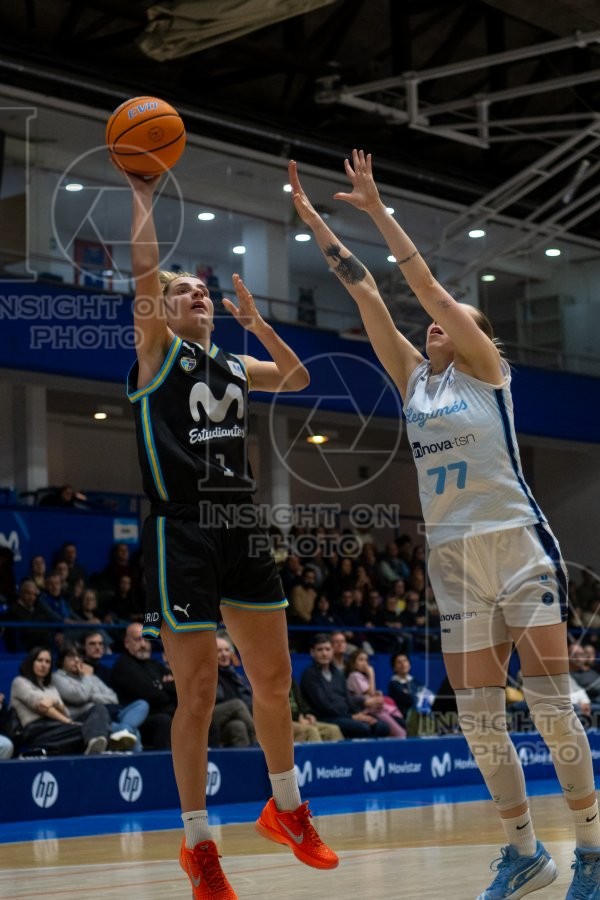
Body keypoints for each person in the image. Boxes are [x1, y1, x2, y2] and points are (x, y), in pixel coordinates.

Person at [290, 149, 600, 897]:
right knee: (481, 721)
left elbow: (422, 285)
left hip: (515, 546)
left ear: (471, 334)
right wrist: (311, 222)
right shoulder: (415, 382)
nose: (435, 326)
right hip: (455, 559)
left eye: (450, 321)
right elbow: (364, 292)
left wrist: (375, 209)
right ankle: (525, 851)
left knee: (554, 711)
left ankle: (591, 852)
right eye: (433, 325)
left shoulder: (488, 370)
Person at [122, 165, 338, 899]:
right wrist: (145, 197)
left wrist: (259, 324)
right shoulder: (157, 351)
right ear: (163, 309)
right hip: (180, 529)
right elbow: (146, 268)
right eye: (185, 291)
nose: (195, 294)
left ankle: (286, 810)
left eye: (200, 289)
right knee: (200, 695)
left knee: (275, 682)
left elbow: (300, 377)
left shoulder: (231, 362)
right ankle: (199, 846)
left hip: (240, 523)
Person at [9, 646, 105, 754]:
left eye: (48, 662)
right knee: (86, 730)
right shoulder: (20, 682)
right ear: (31, 662)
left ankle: (94, 743)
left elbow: (66, 712)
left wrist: (55, 703)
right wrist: (68, 722)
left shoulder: (50, 687)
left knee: (98, 709)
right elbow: (42, 706)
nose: (44, 665)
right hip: (35, 730)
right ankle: (94, 745)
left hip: (56, 727)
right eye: (39, 660)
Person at [52, 643, 142, 751]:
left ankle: (125, 728)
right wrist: (87, 677)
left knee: (142, 704)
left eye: (79, 657)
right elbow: (78, 696)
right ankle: (126, 733)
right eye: (71, 656)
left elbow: (113, 698)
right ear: (62, 660)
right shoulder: (57, 677)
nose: (76, 660)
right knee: (133, 731)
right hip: (84, 719)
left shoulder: (89, 677)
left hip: (106, 714)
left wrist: (91, 697)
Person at [300, 633, 390, 738]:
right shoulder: (309, 675)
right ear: (312, 652)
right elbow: (323, 705)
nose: (324, 654)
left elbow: (348, 698)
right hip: (325, 717)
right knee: (362, 728)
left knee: (382, 726)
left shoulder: (337, 673)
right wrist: (351, 717)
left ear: (332, 651)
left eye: (327, 649)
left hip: (346, 716)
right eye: (320, 650)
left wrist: (359, 714)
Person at [110, 623, 176, 750]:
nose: (143, 645)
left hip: (164, 711)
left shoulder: (154, 664)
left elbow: (179, 688)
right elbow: (150, 695)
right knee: (164, 721)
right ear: (127, 643)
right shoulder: (124, 666)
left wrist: (162, 687)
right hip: (137, 719)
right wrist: (165, 686)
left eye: (146, 640)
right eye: (138, 639)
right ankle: (160, 764)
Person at [345, 649, 406, 737]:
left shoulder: (361, 676)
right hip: (368, 711)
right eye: (361, 660)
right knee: (400, 733)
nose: (364, 663)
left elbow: (371, 693)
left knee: (401, 727)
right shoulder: (354, 675)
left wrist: (377, 694)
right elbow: (370, 694)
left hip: (375, 709)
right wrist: (371, 674)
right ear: (353, 663)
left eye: (366, 660)